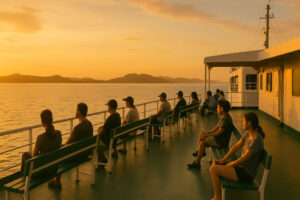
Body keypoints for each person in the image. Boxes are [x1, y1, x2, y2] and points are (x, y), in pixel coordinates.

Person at [210, 112, 265, 200]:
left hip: (247, 173)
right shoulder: (248, 133)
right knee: (215, 163)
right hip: (241, 168)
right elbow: (236, 147)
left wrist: (230, 165)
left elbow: (244, 158)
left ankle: (218, 197)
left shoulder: (257, 139)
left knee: (214, 169)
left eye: (243, 121)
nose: (242, 122)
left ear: (249, 123)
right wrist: (224, 160)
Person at [49, 103, 93, 188]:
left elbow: (67, 144)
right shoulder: (90, 124)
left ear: (79, 112)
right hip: (85, 153)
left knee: (58, 153)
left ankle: (57, 181)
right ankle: (56, 179)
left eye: (76, 110)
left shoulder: (78, 128)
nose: (75, 111)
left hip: (77, 156)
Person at [187, 100, 233, 169]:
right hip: (219, 138)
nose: (217, 109)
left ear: (222, 109)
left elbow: (219, 132)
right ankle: (201, 154)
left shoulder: (226, 120)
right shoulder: (224, 117)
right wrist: (207, 133)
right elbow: (216, 127)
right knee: (202, 134)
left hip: (221, 142)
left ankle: (197, 162)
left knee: (203, 142)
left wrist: (207, 135)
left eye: (218, 107)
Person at [21, 110, 62, 184]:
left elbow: (34, 157)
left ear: (42, 122)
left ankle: (24, 180)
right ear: (52, 120)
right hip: (54, 169)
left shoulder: (41, 138)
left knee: (25, 155)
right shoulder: (59, 134)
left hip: (42, 172)